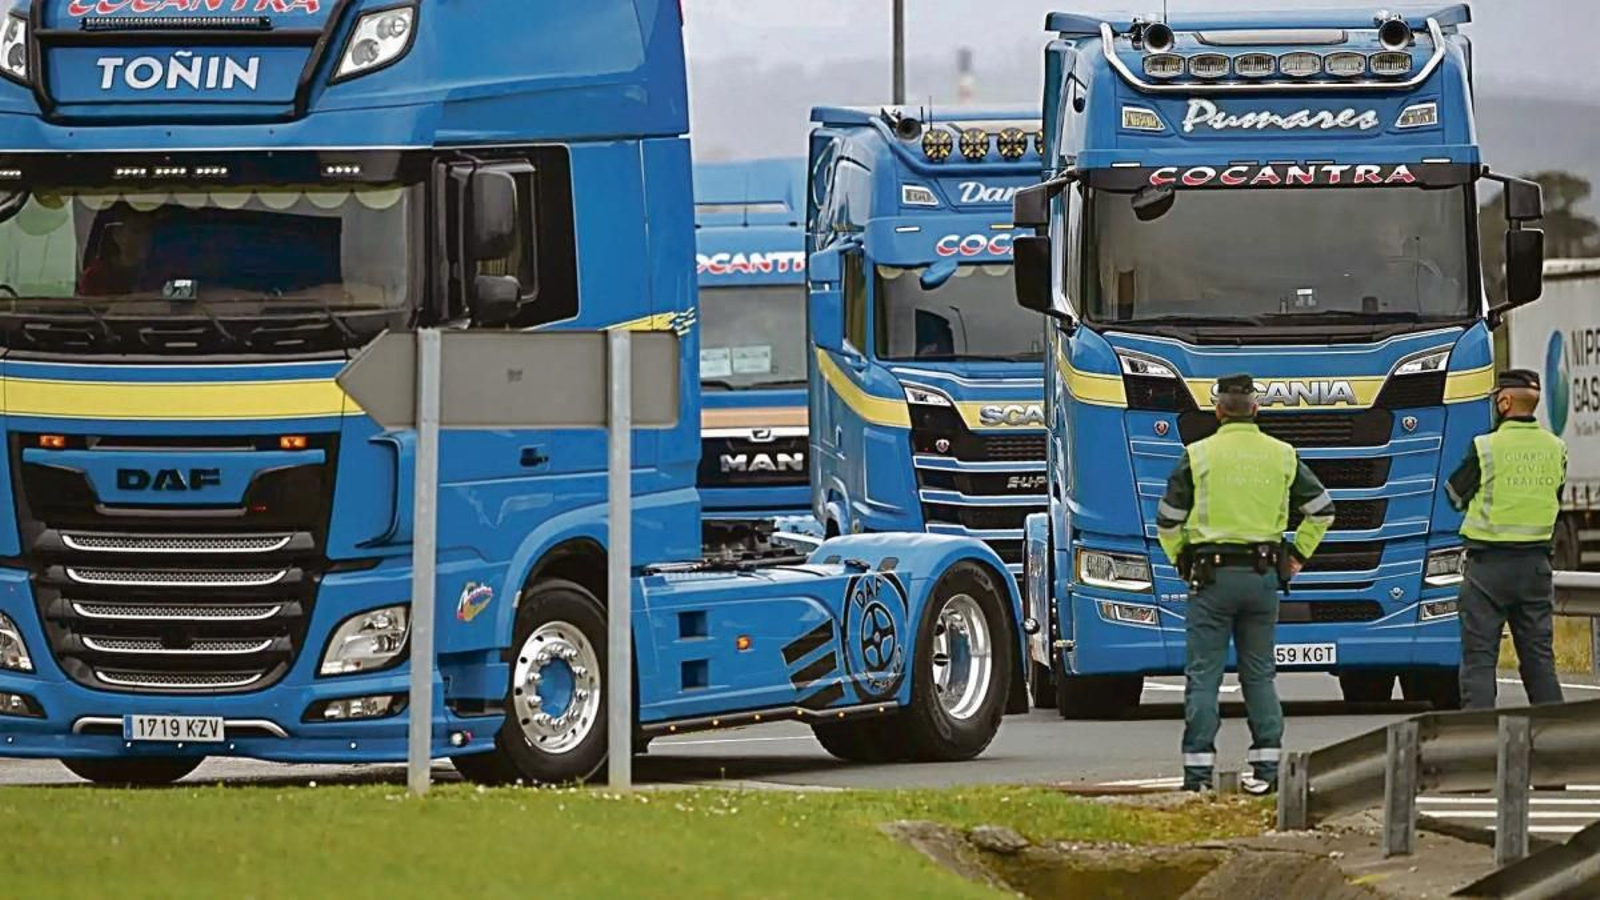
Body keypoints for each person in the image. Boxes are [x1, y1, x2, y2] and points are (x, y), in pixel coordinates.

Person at [1156, 374, 1335, 794]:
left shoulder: (1197, 456)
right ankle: (1269, 771)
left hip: (1212, 578)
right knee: (1259, 675)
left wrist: (1182, 558)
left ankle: (1198, 775)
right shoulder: (1283, 455)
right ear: (1256, 409)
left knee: (1203, 676)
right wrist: (1296, 557)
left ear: (1218, 411)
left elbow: (1167, 519)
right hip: (1262, 578)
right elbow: (1323, 510)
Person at [1445, 369, 1567, 710]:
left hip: (1489, 569)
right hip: (1536, 568)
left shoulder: (1486, 447)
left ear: (1505, 401)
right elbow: (1555, 495)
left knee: (1480, 662)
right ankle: (1556, 742)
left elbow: (1454, 495)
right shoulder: (1556, 448)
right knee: (1539, 660)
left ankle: (1479, 746)